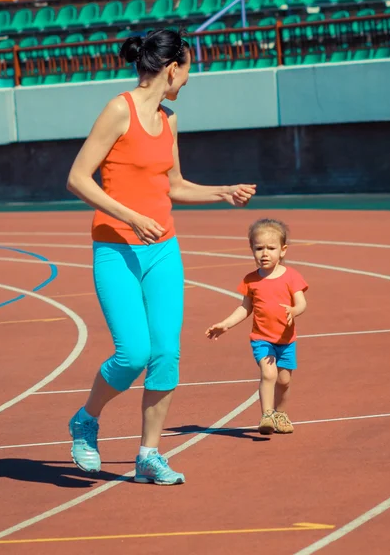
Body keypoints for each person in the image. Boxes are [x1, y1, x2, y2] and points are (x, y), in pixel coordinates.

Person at [65, 28, 256, 485]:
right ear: (173, 68)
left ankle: (148, 455)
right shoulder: (118, 110)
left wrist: (220, 191)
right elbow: (77, 178)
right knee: (133, 353)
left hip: (163, 251)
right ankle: (86, 420)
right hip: (116, 250)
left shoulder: (169, 120)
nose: (189, 78)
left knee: (166, 354)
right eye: (188, 68)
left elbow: (173, 185)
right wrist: (129, 215)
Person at [206, 219, 308, 435]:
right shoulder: (251, 280)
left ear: (283, 250)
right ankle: (267, 415)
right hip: (262, 338)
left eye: (271, 248)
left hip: (286, 340)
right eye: (259, 248)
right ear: (251, 249)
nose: (264, 253)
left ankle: (281, 413)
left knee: (285, 380)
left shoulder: (291, 276)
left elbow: (302, 303)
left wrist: (293, 310)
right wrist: (226, 324)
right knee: (268, 374)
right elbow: (245, 308)